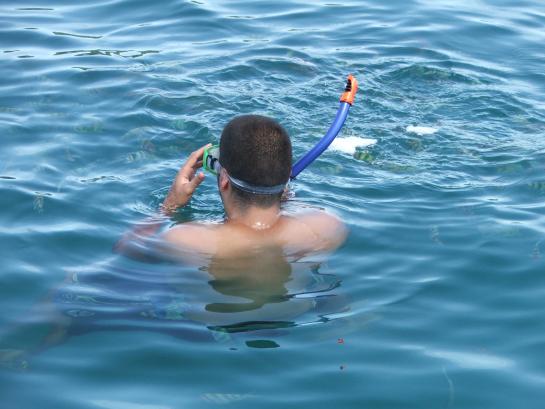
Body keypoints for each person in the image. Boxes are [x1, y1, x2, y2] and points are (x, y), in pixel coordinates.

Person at [153, 114, 347, 262]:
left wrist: (169, 206)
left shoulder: (184, 240)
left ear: (224, 179)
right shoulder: (327, 226)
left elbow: (134, 256)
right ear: (287, 176)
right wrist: (284, 197)